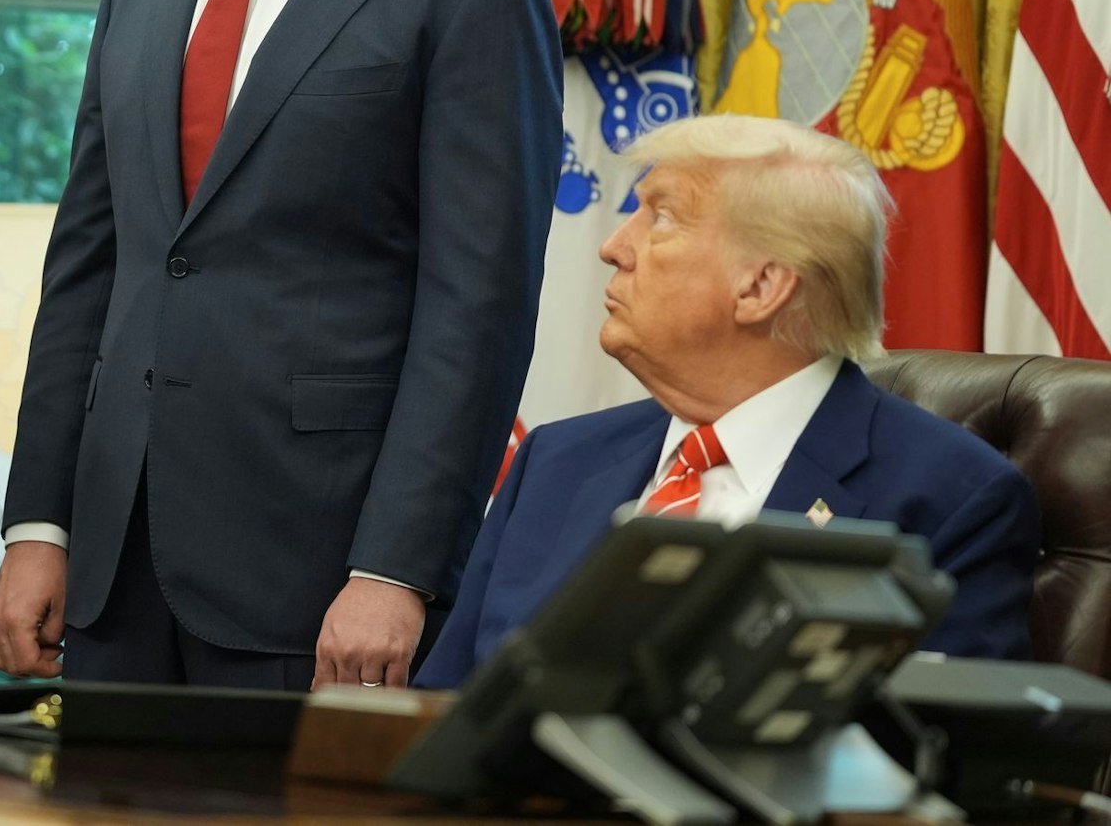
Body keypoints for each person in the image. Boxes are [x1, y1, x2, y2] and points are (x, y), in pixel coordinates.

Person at [0, 0, 564, 690]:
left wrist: (395, 565)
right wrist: (39, 524)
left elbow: (476, 311)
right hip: (109, 575)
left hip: (319, 577)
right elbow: (88, 278)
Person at [416, 115, 1040, 688]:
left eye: (660, 217)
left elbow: (932, 753)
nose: (614, 247)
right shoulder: (555, 462)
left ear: (761, 286)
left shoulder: (948, 502)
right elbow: (437, 717)